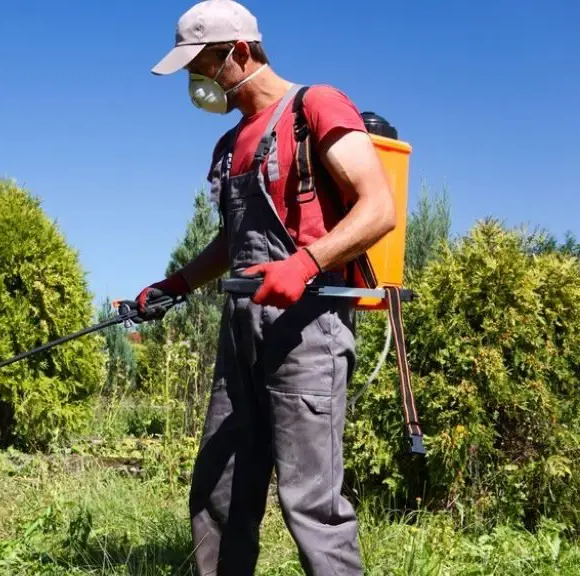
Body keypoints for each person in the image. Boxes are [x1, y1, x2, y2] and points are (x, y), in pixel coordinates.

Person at [134, 1, 397, 574]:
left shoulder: (315, 106)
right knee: (219, 493)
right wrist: (173, 284)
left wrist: (305, 264)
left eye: (201, 64)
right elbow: (234, 242)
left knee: (310, 505)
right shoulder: (229, 146)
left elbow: (379, 208)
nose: (196, 80)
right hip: (241, 332)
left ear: (240, 52)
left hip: (308, 328)